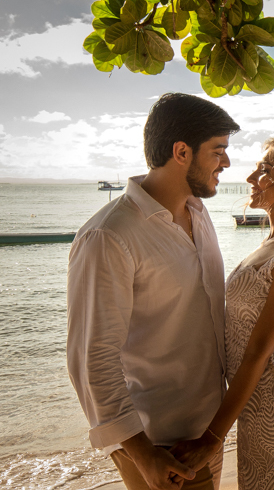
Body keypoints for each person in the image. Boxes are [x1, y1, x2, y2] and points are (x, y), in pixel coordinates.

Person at [67, 93, 240, 490]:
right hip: (159, 445)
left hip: (205, 434)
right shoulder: (109, 236)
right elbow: (92, 358)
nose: (227, 163)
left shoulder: (197, 211)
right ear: (182, 152)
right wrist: (142, 454)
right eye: (218, 152)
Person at [170, 138, 274, 490]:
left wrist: (211, 438)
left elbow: (258, 352)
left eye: (264, 170)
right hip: (263, 398)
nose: (250, 177)